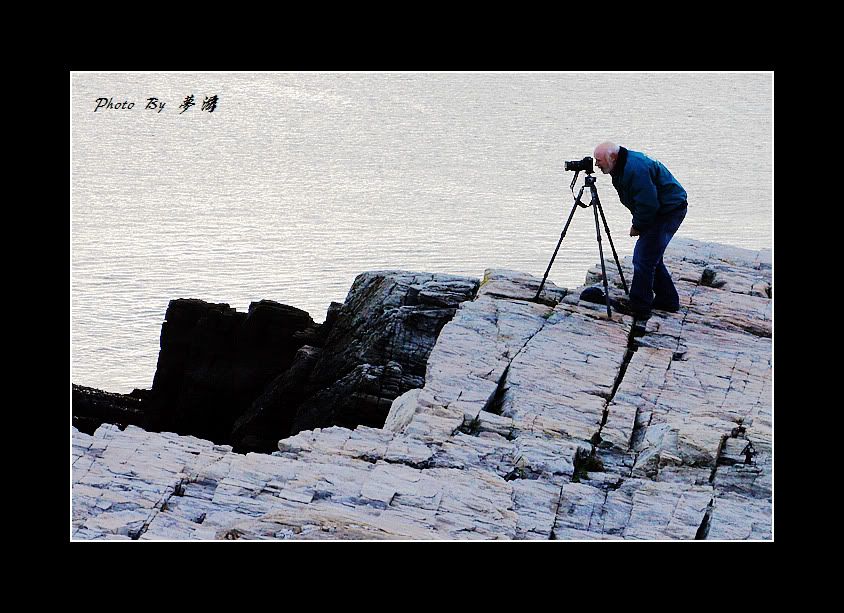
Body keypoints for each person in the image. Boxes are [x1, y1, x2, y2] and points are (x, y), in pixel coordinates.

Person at [592, 141, 688, 320]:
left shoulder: (635, 169)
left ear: (612, 157)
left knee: (642, 258)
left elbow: (648, 204)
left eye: (599, 161)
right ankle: (668, 300)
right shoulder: (621, 166)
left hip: (669, 211)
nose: (596, 165)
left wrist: (638, 225)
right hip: (662, 210)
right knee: (651, 256)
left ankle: (639, 306)